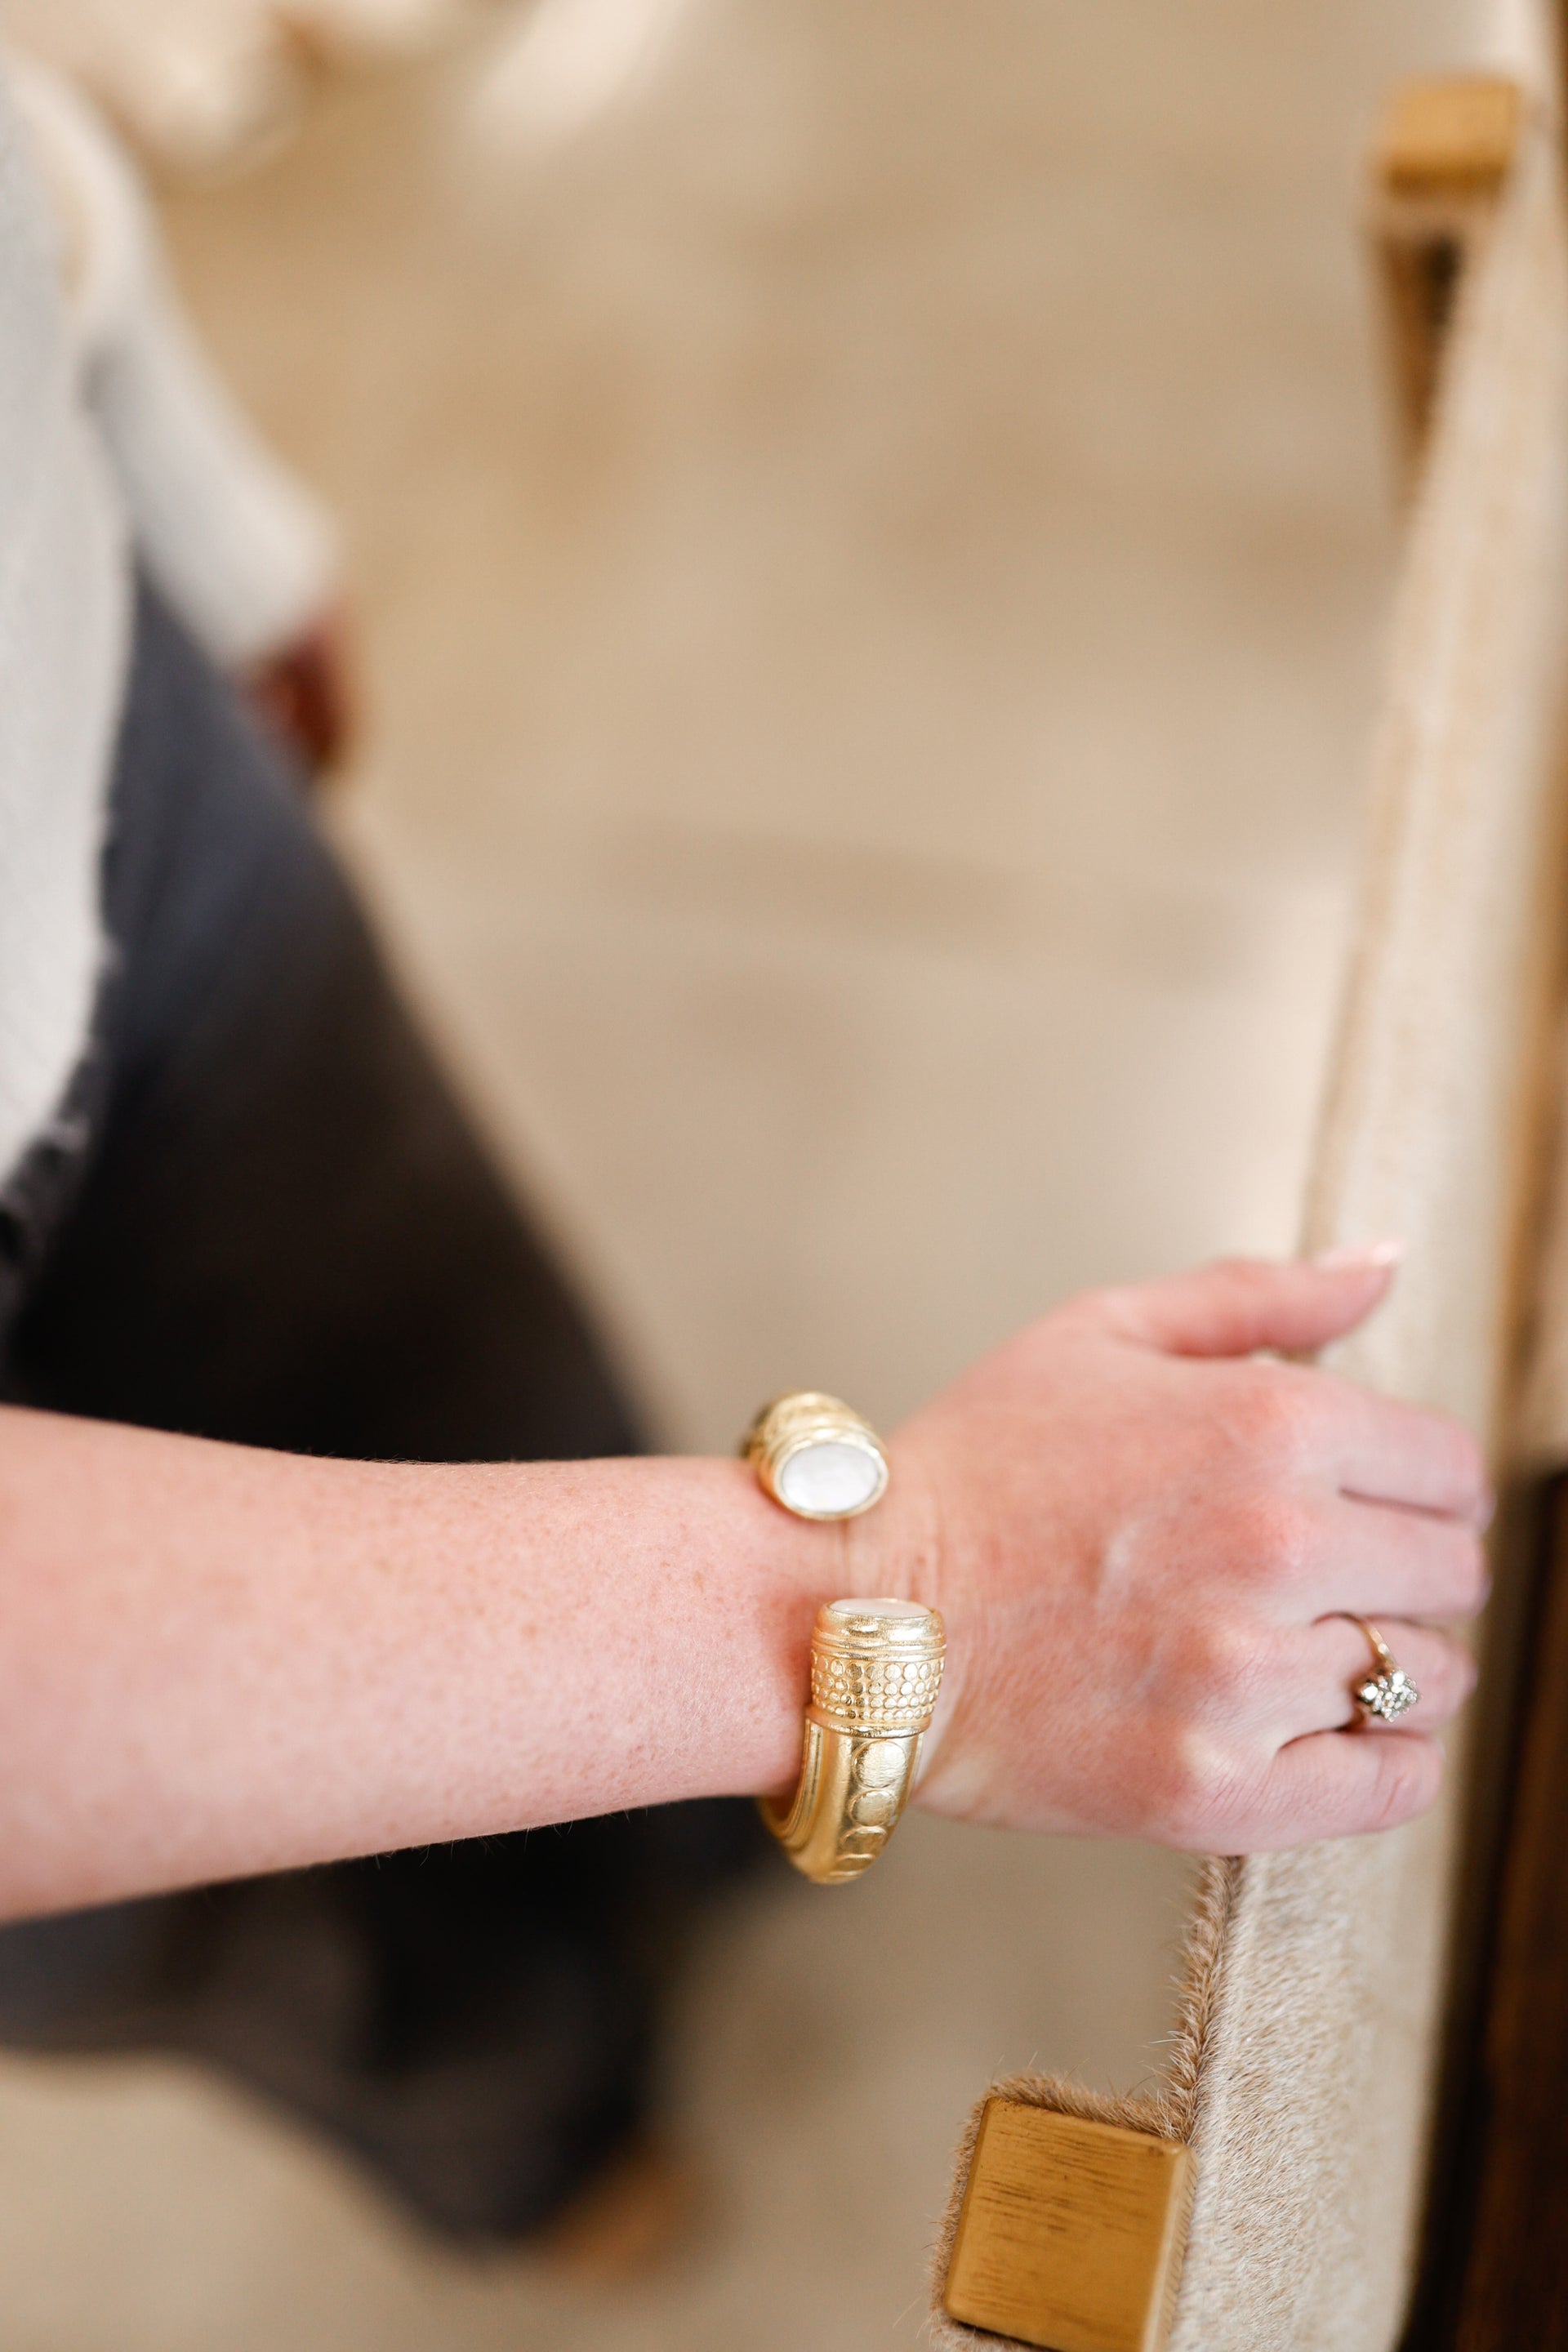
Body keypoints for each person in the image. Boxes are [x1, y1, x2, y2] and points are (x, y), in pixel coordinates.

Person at [0, 60, 1489, 2245]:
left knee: (476, 1375)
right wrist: (899, 1599)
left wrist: (157, 473)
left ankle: (683, 1832)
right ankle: (532, 2143)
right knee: (269, 1925)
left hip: (91, 741)